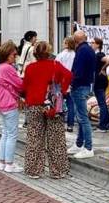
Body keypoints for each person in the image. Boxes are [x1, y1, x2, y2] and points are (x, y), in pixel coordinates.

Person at [23, 41, 72, 179]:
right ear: (49, 52)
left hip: (34, 104)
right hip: (52, 105)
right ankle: (57, 171)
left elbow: (24, 87)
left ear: (35, 53)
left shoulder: (30, 67)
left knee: (34, 137)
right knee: (56, 139)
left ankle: (34, 170)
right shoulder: (55, 65)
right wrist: (62, 91)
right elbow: (69, 75)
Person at [0, 41, 24, 173]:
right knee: (12, 134)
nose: (15, 57)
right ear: (7, 54)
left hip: (1, 104)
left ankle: (2, 162)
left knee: (5, 133)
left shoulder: (0, 67)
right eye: (13, 54)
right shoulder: (8, 68)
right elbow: (19, 84)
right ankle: (10, 164)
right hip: (9, 103)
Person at [67, 31, 96, 159]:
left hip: (79, 86)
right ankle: (79, 144)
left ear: (75, 40)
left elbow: (78, 70)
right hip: (86, 84)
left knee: (83, 118)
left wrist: (72, 84)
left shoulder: (81, 51)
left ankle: (88, 147)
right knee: (81, 117)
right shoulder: (89, 49)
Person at [91, 38, 109, 133]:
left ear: (98, 45)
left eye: (93, 43)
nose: (91, 44)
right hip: (101, 80)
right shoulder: (97, 55)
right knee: (103, 103)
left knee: (102, 103)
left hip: (99, 80)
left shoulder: (99, 55)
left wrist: (102, 69)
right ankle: (106, 122)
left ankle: (103, 125)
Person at [55, 36, 76, 132]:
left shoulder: (60, 55)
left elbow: (56, 68)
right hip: (71, 81)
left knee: (59, 102)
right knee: (71, 103)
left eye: (64, 42)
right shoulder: (75, 55)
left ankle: (59, 123)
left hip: (61, 81)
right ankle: (70, 125)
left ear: (67, 44)